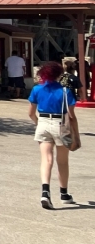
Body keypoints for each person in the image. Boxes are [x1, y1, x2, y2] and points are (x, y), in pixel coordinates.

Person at [28, 61, 80, 209]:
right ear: (59, 75)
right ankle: (64, 193)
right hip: (61, 124)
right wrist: (75, 134)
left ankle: (45, 192)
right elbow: (71, 116)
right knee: (62, 161)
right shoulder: (65, 91)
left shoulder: (37, 89)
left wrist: (39, 123)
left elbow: (31, 113)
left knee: (46, 159)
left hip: (43, 122)